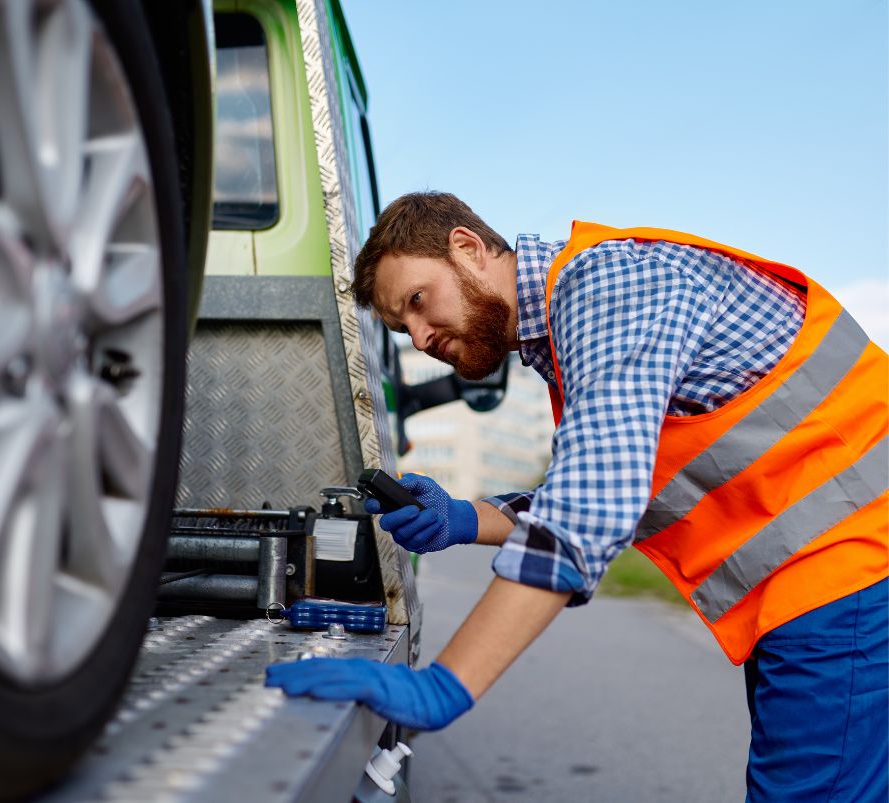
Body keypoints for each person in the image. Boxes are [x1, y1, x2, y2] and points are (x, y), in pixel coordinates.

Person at [265, 191, 888, 801]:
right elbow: (612, 487)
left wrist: (444, 686)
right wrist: (463, 518)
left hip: (852, 571)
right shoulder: (568, 335)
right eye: (405, 329)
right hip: (836, 578)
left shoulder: (608, 287)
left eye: (420, 302)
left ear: (468, 247)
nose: (421, 338)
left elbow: (589, 506)